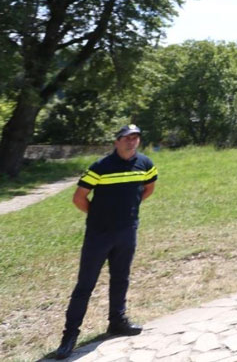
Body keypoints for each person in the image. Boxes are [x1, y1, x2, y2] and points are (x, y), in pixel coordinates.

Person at [55, 125, 157, 360]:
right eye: (126, 138)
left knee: (121, 278)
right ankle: (69, 336)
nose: (131, 142)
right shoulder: (100, 167)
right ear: (117, 141)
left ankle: (117, 322)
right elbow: (79, 198)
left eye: (135, 138)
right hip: (99, 234)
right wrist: (98, 215)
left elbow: (149, 187)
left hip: (127, 231)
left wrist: (129, 211)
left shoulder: (145, 164)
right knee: (85, 285)